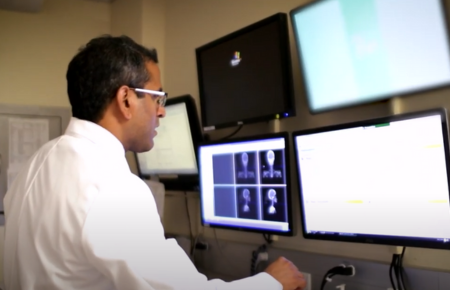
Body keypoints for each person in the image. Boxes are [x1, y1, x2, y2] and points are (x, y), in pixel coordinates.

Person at [3, 35, 307, 290]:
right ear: (126, 100)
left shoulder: (36, 164)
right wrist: (271, 282)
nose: (161, 111)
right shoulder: (112, 187)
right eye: (157, 97)